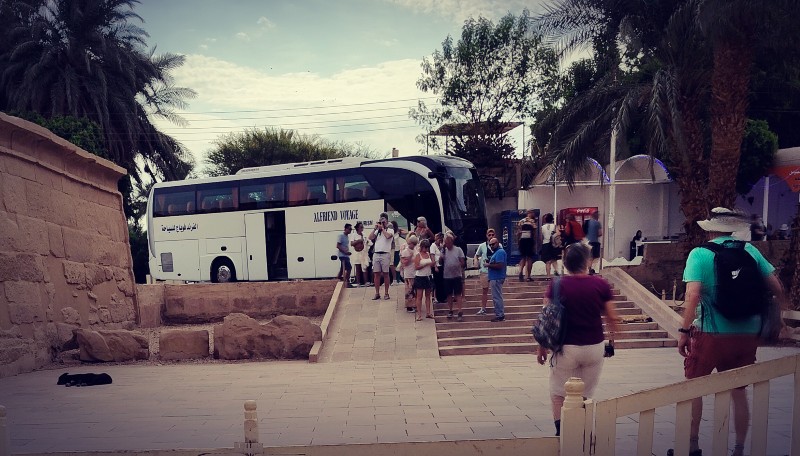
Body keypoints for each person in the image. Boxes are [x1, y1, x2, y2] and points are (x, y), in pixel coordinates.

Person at [678, 207, 788, 456]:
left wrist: (684, 331)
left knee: (694, 388)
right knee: (739, 391)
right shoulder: (749, 250)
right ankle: (738, 448)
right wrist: (778, 319)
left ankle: (693, 445)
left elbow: (692, 295)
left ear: (711, 229)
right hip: (748, 334)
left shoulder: (700, 254)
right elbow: (777, 287)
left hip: (711, 333)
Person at [537, 243, 619, 437]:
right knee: (584, 394)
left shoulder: (557, 285)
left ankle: (562, 432)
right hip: (594, 347)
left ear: (565, 263)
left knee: (558, 392)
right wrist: (613, 339)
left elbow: (546, 317)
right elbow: (612, 318)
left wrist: (541, 347)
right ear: (588, 262)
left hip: (566, 348)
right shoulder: (600, 284)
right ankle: (580, 432)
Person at [440, 232, 466, 321]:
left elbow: (463, 262)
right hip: (447, 276)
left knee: (458, 293)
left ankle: (459, 310)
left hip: (457, 275)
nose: (447, 244)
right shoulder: (444, 250)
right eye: (445, 243)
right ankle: (450, 310)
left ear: (451, 242)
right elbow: (440, 260)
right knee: (449, 294)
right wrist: (443, 249)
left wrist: (458, 265)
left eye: (448, 243)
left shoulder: (458, 250)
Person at [369, 215, 395, 300]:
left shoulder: (390, 230)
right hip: (376, 253)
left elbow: (388, 236)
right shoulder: (378, 231)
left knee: (385, 274)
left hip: (385, 254)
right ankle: (377, 293)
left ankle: (386, 293)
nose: (382, 224)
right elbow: (370, 237)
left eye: (383, 222)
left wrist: (383, 229)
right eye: (380, 222)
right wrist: (375, 228)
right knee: (376, 274)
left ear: (387, 222)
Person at [473, 228, 496, 315]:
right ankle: (483, 308)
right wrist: (476, 262)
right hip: (484, 270)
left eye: (492, 235)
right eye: (489, 235)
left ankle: (497, 308)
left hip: (495, 270)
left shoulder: (498, 245)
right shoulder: (482, 246)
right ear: (486, 236)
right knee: (484, 290)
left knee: (495, 290)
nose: (491, 236)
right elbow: (476, 255)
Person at [413, 239, 437, 321]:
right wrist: (426, 264)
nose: (426, 249)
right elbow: (416, 267)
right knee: (419, 296)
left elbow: (431, 264)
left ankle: (428, 312)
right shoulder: (418, 255)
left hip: (428, 276)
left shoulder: (428, 254)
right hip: (420, 276)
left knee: (428, 296)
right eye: (425, 247)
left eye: (427, 247)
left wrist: (433, 264)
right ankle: (419, 314)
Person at [486, 236, 507, 322]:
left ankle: (500, 315)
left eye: (493, 244)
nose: (491, 246)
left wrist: (488, 265)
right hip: (494, 277)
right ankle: (499, 314)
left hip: (497, 277)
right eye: (490, 245)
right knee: (496, 297)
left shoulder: (500, 252)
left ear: (497, 243)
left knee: (497, 297)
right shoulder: (496, 253)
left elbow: (499, 265)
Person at [516, 209, 537, 281]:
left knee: (523, 257)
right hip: (529, 240)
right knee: (529, 258)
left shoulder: (521, 221)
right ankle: (528, 276)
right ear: (530, 213)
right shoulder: (532, 221)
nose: (534, 214)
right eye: (533, 213)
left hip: (522, 240)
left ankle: (520, 271)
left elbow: (518, 232)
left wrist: (518, 241)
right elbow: (534, 233)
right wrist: (534, 243)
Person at [400, 235, 419, 312]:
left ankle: (415, 304)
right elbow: (404, 263)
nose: (413, 245)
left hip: (415, 272)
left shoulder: (416, 250)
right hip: (408, 273)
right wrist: (410, 257)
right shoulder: (405, 251)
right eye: (412, 244)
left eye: (415, 244)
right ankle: (409, 306)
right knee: (409, 290)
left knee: (414, 290)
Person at [350, 222, 370, 286]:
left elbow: (368, 242)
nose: (362, 228)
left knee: (364, 267)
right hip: (357, 253)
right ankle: (358, 282)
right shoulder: (354, 235)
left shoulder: (364, 234)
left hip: (363, 252)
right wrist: (358, 241)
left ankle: (366, 282)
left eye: (362, 227)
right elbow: (352, 244)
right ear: (358, 228)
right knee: (358, 268)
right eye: (361, 227)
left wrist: (367, 242)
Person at [336, 223, 354, 288]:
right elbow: (338, 245)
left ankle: (337, 280)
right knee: (349, 267)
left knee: (342, 269)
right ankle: (347, 281)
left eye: (351, 229)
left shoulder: (347, 236)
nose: (350, 230)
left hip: (346, 255)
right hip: (342, 255)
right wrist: (345, 252)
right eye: (349, 229)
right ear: (345, 229)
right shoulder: (341, 235)